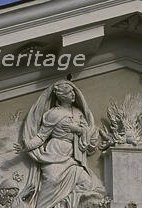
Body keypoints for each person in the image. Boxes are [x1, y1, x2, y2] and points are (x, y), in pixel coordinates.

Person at [17, 80, 104, 208]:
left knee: (87, 183)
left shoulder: (79, 114)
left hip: (72, 157)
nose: (73, 94)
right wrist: (27, 146)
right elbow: (41, 137)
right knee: (52, 181)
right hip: (54, 153)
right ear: (62, 96)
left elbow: (86, 134)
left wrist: (80, 130)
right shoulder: (53, 114)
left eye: (73, 92)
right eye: (69, 92)